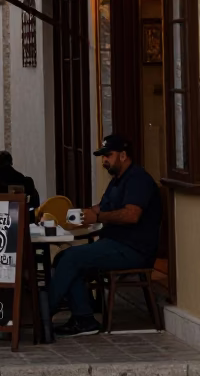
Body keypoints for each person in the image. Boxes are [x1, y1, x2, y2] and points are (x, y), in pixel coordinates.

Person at [49, 134, 162, 336]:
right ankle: (83, 316)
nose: (104, 161)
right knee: (62, 258)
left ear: (123, 155)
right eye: (102, 156)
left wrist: (98, 216)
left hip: (132, 248)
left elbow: (131, 215)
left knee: (71, 259)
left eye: (108, 155)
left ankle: (44, 312)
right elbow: (101, 207)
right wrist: (80, 217)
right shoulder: (117, 180)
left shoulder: (138, 179)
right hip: (114, 243)